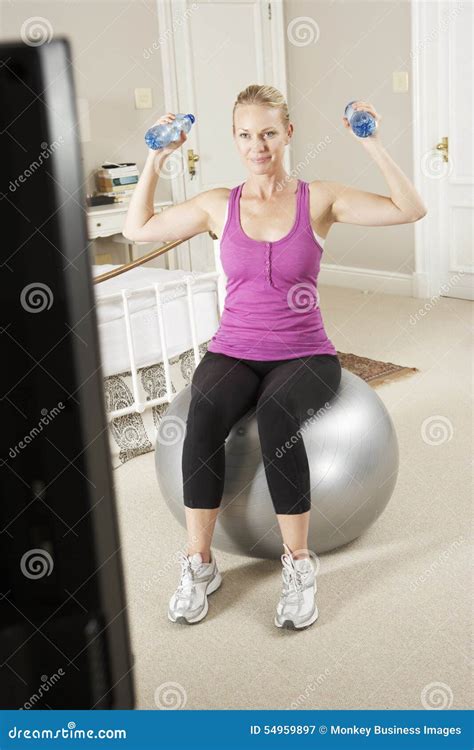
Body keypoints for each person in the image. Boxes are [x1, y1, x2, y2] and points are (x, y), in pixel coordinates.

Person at [123, 84, 427, 630]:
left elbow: (411, 208)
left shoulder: (321, 198)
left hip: (305, 352)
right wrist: (155, 158)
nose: (256, 145)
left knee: (277, 416)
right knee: (204, 414)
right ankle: (199, 564)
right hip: (234, 348)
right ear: (234, 139)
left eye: (268, 132)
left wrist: (372, 141)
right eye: (245, 134)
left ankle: (298, 566)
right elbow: (137, 229)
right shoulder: (221, 203)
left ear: (288, 133)